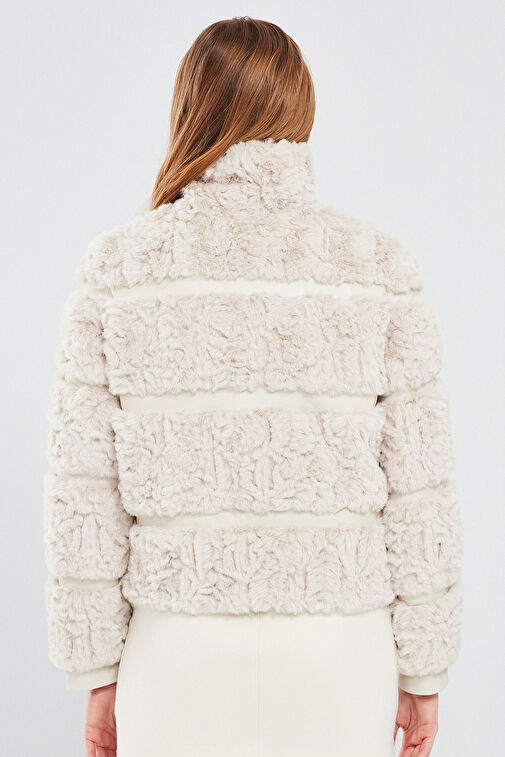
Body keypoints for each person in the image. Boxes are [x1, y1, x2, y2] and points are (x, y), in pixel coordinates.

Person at [43, 16, 463, 757]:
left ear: (191, 109)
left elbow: (84, 495)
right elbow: (419, 491)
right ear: (301, 110)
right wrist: (424, 669)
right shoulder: (377, 269)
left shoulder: (118, 272)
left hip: (175, 653)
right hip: (340, 655)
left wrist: (96, 670)